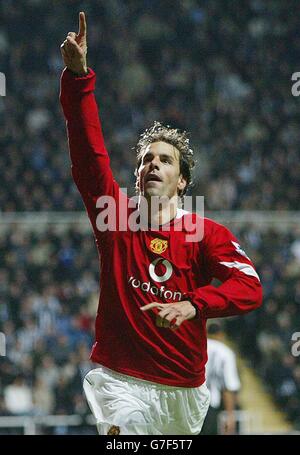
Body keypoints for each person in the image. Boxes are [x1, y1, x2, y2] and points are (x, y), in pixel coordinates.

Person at [59, 12, 263, 435]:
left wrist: (193, 304)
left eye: (164, 160)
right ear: (136, 176)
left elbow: (250, 287)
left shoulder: (208, 234)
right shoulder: (114, 218)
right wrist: (79, 80)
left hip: (183, 391)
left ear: (182, 180)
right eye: (145, 160)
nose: (152, 164)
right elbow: (88, 157)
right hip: (121, 380)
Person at [201, 321, 241, 435]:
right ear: (221, 334)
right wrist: (230, 415)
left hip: (189, 403)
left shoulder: (197, 347)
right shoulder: (225, 352)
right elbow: (228, 386)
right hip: (210, 405)